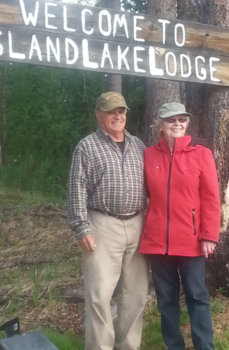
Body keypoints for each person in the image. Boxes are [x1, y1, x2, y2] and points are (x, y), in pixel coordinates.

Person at [67, 91, 148, 350]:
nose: (117, 116)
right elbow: (76, 189)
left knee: (134, 295)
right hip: (102, 225)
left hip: (137, 223)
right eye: (111, 111)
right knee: (100, 295)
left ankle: (128, 346)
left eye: (121, 111)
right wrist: (82, 228)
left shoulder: (138, 146)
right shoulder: (87, 146)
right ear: (98, 115)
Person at [139, 102, 220, 350]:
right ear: (160, 125)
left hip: (191, 241)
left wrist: (209, 235)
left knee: (197, 296)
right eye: (171, 119)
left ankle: (204, 345)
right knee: (166, 300)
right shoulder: (148, 154)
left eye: (181, 120)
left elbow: (211, 198)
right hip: (157, 242)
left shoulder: (201, 154)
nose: (176, 123)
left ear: (187, 124)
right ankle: (173, 345)